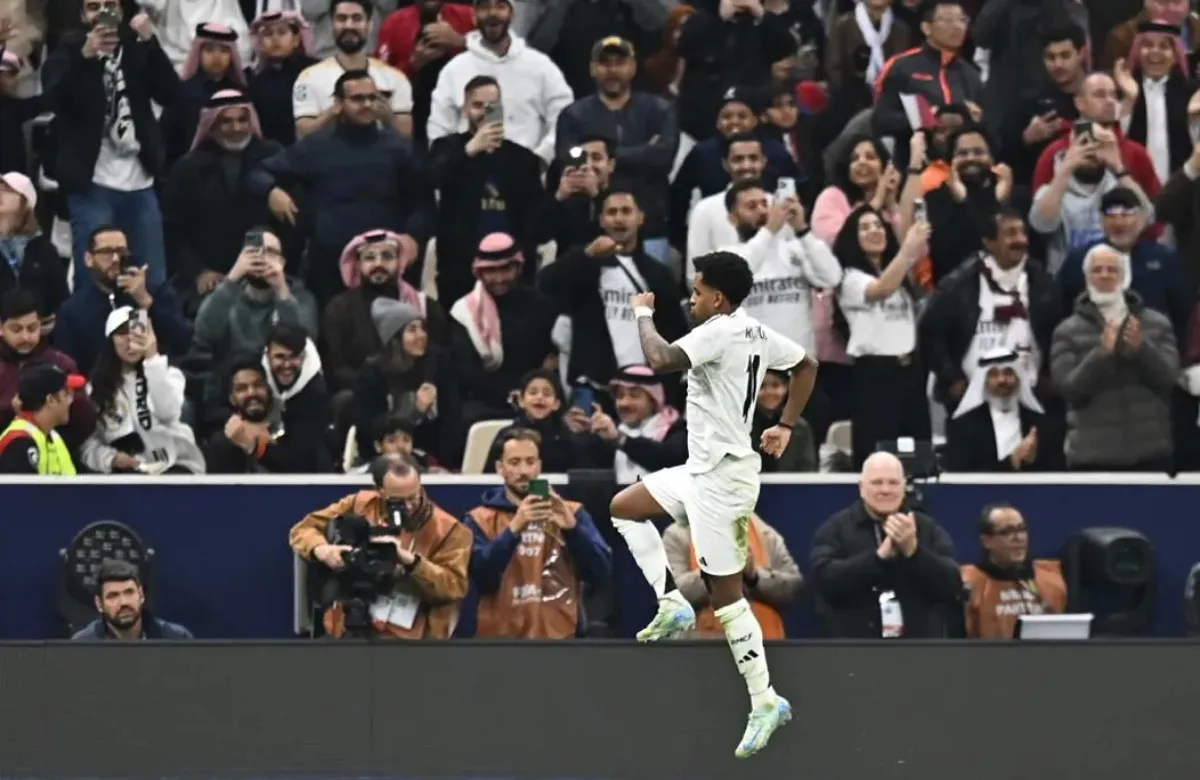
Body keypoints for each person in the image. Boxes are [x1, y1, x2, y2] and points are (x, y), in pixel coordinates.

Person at [607, 250, 819, 758]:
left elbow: (659, 360)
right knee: (623, 507)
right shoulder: (754, 330)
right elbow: (806, 365)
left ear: (718, 298)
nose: (691, 299)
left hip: (724, 482)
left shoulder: (719, 330)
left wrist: (642, 312)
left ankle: (765, 701)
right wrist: (785, 425)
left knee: (727, 598)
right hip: (701, 472)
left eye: (697, 291)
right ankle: (673, 604)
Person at [81, 307, 205, 475]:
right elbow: (88, 445)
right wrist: (111, 458)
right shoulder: (95, 389)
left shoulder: (168, 374)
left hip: (175, 464)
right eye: (122, 333)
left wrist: (152, 358)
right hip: (129, 472)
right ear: (111, 341)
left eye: (137, 332)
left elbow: (168, 413)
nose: (130, 340)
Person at [71, 558, 193, 640]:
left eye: (129, 592)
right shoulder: (82, 645)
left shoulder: (176, 638)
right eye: (113, 596)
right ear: (99, 604)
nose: (123, 602)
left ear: (141, 595)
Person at [0, 363, 85, 474]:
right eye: (66, 395)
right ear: (51, 400)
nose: (70, 402)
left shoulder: (52, 436)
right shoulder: (19, 444)